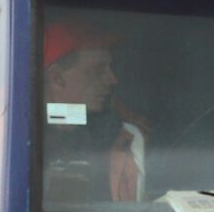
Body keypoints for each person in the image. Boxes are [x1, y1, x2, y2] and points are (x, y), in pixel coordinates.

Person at [39, 20, 146, 202]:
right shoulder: (11, 141)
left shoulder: (126, 136)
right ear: (57, 78)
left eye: (110, 68)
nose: (112, 79)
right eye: (97, 70)